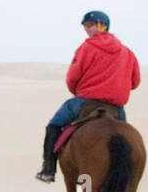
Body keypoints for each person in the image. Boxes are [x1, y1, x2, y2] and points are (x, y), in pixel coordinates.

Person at [35, 10, 140, 183]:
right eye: (86, 26)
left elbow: (72, 78)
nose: (87, 30)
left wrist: (79, 90)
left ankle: (48, 170)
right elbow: (135, 82)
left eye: (91, 25)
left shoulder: (86, 48)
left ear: (102, 26)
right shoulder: (127, 53)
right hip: (116, 108)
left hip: (85, 101)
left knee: (53, 125)